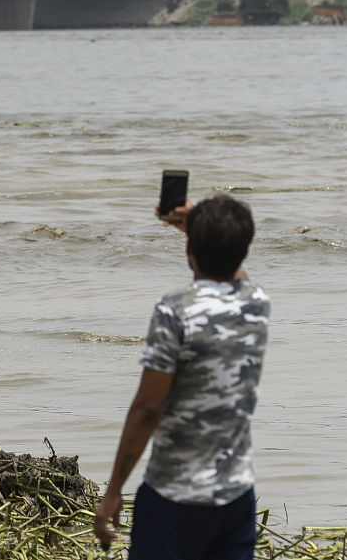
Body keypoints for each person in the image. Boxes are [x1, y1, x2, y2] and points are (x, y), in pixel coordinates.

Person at [93, 194, 269, 559]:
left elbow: (148, 409)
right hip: (236, 498)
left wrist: (113, 492)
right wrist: (199, 228)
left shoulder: (175, 311)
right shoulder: (256, 303)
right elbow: (236, 272)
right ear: (244, 250)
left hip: (175, 497)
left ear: (189, 250)